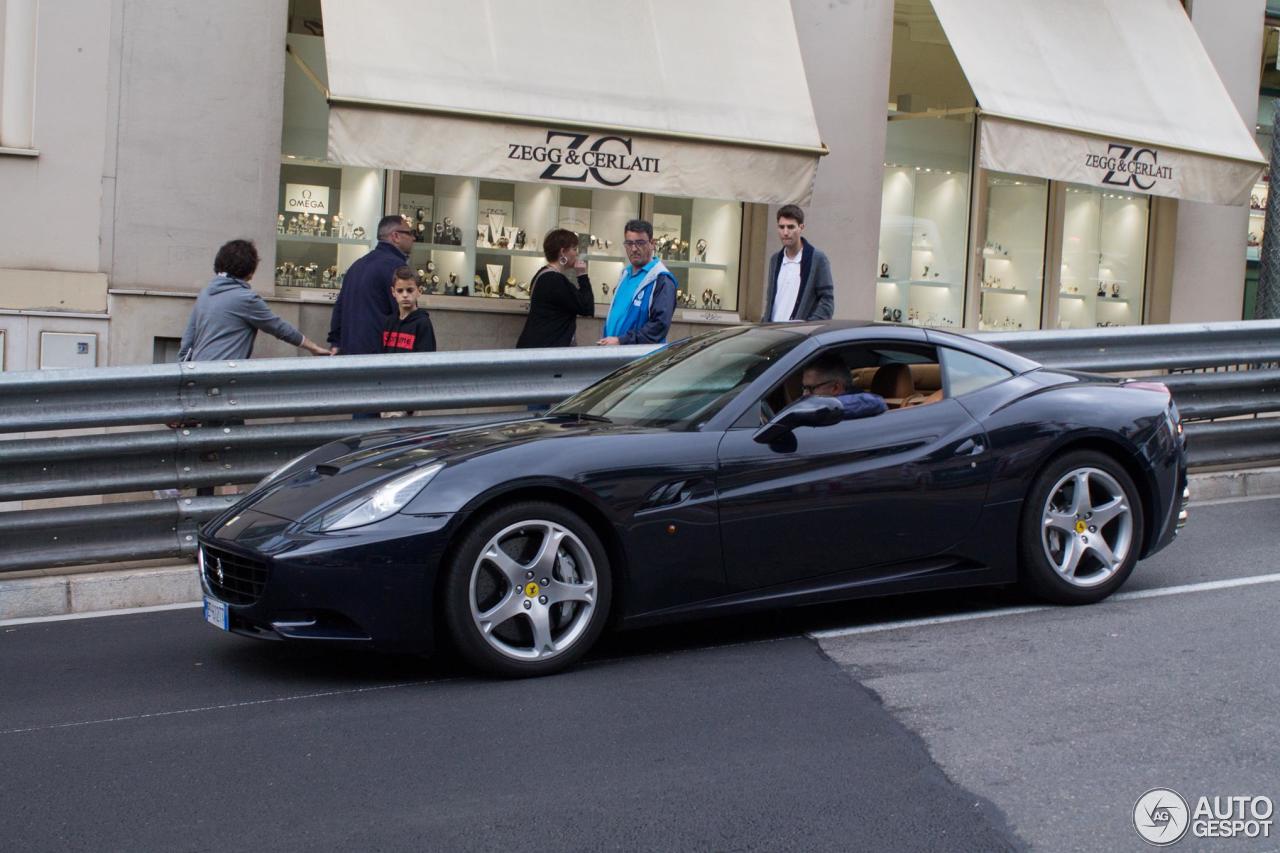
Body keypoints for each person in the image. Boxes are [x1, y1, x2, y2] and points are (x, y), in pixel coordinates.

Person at [178, 238, 329, 362]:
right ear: (250, 272)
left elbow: (188, 338)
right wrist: (313, 348)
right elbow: (279, 327)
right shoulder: (245, 299)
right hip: (223, 376)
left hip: (198, 371)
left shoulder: (206, 293)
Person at [328, 214, 417, 355]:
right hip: (379, 354)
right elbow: (405, 314)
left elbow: (339, 307)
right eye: (410, 233)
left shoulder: (356, 265)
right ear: (395, 236)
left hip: (349, 352)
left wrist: (336, 343)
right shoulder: (396, 267)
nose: (413, 238)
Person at [597, 219, 676, 345]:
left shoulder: (661, 278)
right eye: (629, 243)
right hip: (615, 353)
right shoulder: (625, 274)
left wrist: (621, 341)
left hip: (641, 358)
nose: (634, 249)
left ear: (652, 243)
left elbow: (659, 327)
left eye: (640, 243)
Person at [516, 229, 594, 348]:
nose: (577, 254)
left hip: (535, 349)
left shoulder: (542, 274)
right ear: (562, 252)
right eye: (574, 249)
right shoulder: (554, 280)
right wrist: (582, 275)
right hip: (544, 353)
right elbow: (587, 308)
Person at [763, 204, 834, 322]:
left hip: (798, 336)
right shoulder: (775, 260)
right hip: (773, 333)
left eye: (790, 227)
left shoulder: (817, 259)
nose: (785, 232)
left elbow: (827, 303)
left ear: (801, 227)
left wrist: (807, 327)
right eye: (781, 227)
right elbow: (771, 300)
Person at [800, 355, 886, 420]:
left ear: (835, 388)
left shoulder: (865, 404)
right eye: (804, 388)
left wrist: (817, 410)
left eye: (810, 388)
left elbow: (874, 402)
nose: (804, 394)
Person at [381, 266, 437, 354]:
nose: (405, 295)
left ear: (420, 291)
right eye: (400, 291)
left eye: (410, 290)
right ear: (393, 292)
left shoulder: (423, 324)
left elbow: (426, 360)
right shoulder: (389, 322)